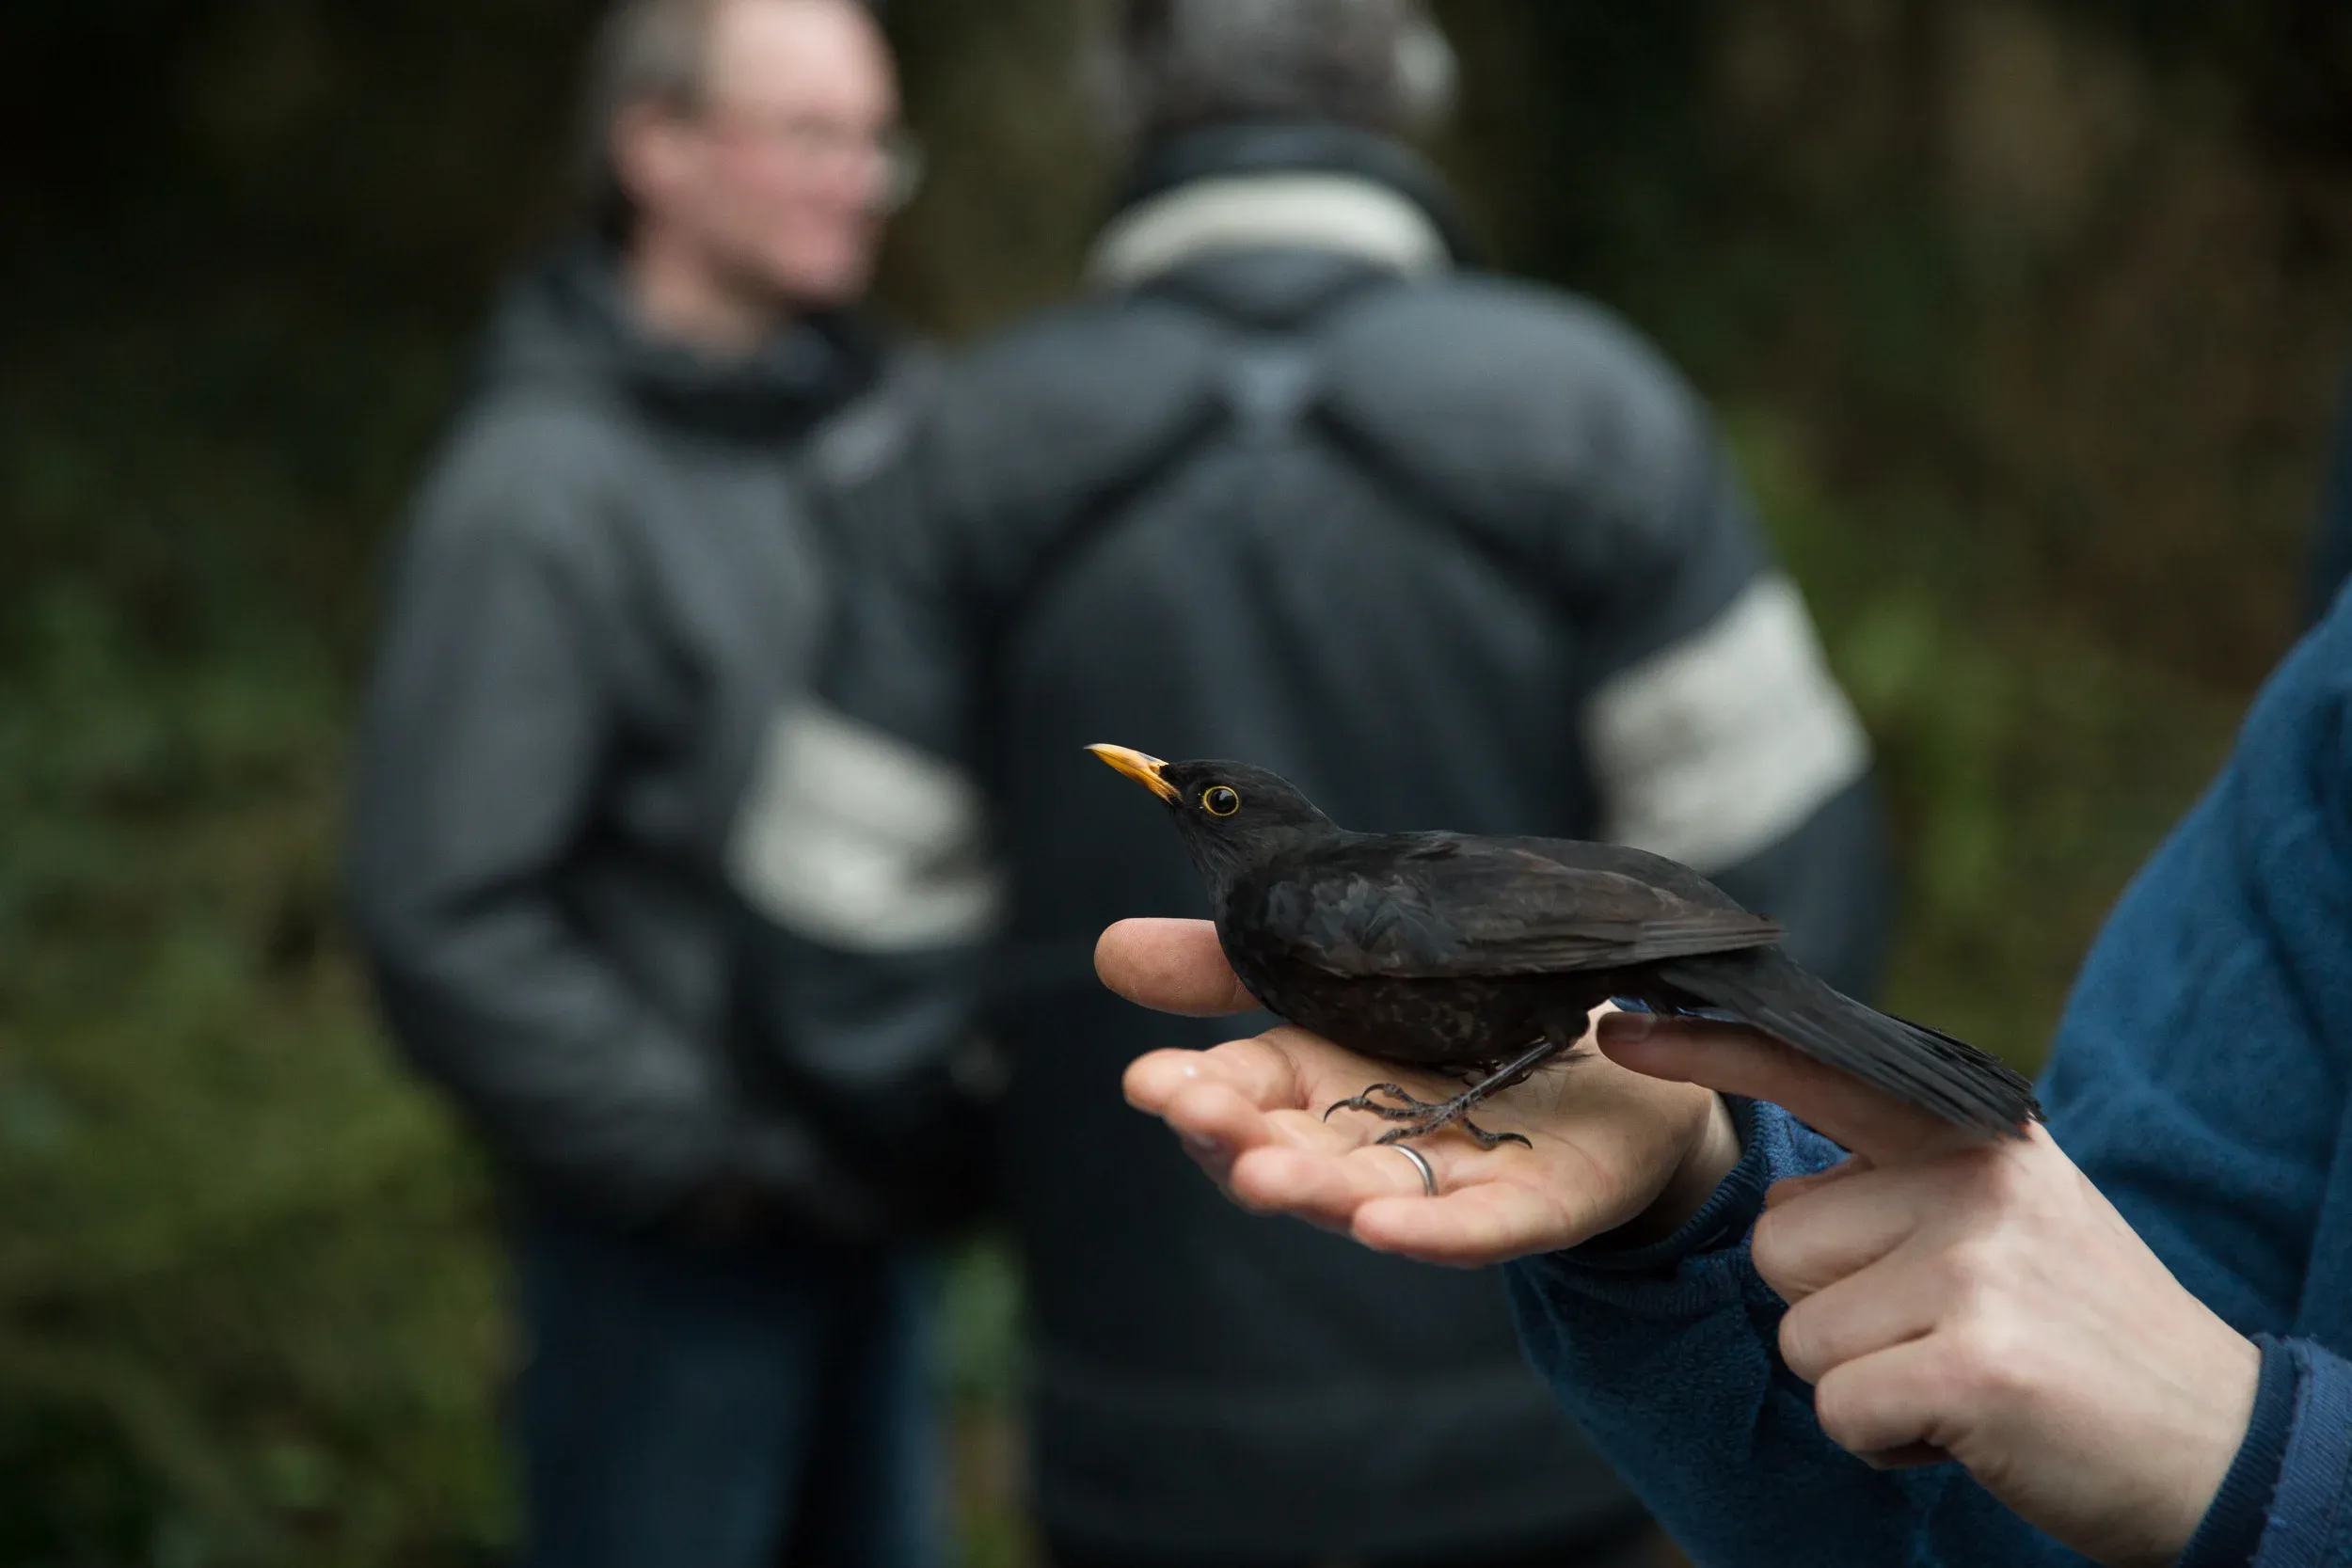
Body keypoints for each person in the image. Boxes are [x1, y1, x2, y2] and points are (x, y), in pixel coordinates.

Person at [727, 2, 1897, 1561]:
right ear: (1406, 87)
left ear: (1124, 100)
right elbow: (1796, 889)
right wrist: (1657, 1188)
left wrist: (1057, 1178)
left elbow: (834, 965)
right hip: (1560, 1421)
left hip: (1136, 1424)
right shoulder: (1595, 409)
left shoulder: (957, 447)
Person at [1110, 578, 2352, 1564]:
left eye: (1210, 798)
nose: (1182, 796)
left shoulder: (1287, 900)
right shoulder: (1283, 906)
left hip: (1603, 942)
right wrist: (1675, 1183)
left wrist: (2248, 1459)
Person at [344, 3, 957, 1565]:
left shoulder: (898, 441)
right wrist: (707, 1165)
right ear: (656, 149)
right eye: (809, 135)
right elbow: (444, 912)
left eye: (874, 141)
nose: (857, 180)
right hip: (664, 1269)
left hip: (881, 1231)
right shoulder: (537, 496)